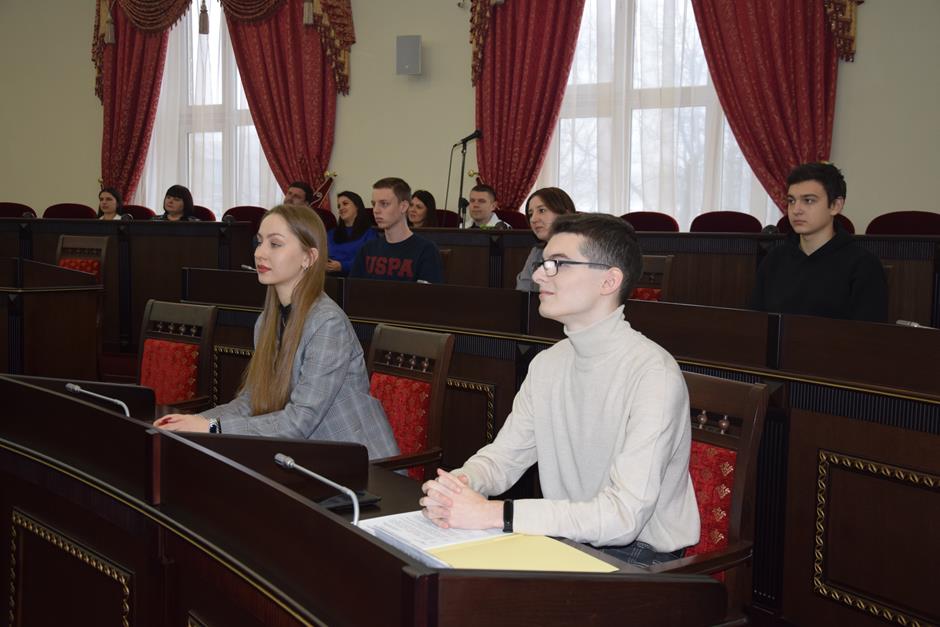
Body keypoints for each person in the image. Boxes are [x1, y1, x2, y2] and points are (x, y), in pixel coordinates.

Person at [419, 213, 699, 567]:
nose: (539, 275)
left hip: (641, 558)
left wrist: (496, 513)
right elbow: (504, 458)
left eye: (558, 264)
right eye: (543, 263)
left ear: (609, 280)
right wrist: (459, 485)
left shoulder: (653, 375)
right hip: (567, 540)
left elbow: (622, 518)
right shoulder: (548, 363)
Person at [154, 204, 399, 460]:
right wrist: (195, 422)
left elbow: (298, 422)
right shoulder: (266, 322)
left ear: (308, 257)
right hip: (308, 458)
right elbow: (251, 402)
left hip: (359, 464)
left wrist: (213, 428)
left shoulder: (327, 323)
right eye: (260, 242)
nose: (260, 253)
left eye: (275, 244)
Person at [750, 162, 887, 322]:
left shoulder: (863, 265)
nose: (796, 210)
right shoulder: (774, 259)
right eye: (791, 201)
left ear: (835, 206)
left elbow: (868, 333)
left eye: (808, 200)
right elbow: (755, 323)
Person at [349, 177, 444, 283]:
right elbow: (353, 289)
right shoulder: (367, 250)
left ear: (403, 207)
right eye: (374, 204)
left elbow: (429, 293)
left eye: (384, 204)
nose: (376, 210)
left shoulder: (426, 250)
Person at [515, 187, 577, 291]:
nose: (533, 219)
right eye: (530, 214)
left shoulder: (584, 251)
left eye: (542, 210)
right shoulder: (537, 252)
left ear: (566, 215)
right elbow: (523, 292)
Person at [326, 191, 378, 275]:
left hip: (357, 279)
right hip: (330, 278)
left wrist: (342, 266)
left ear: (357, 206)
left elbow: (370, 261)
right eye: (339, 206)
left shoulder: (370, 233)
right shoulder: (331, 233)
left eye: (345, 204)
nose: (341, 208)